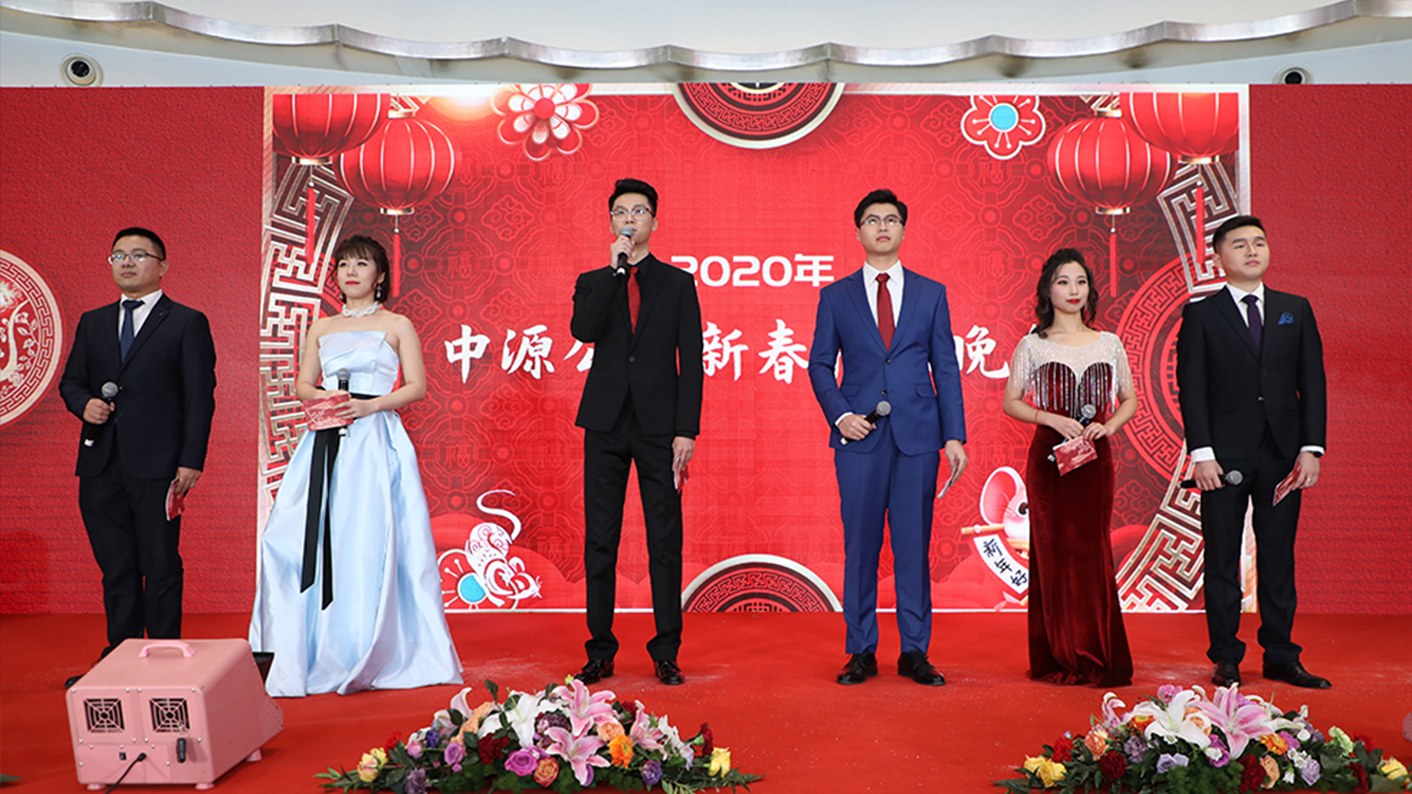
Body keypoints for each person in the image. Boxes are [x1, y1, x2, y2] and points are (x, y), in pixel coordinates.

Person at [248, 235, 461, 697]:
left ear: (379, 275)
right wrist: (328, 400)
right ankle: (312, 648)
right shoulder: (322, 327)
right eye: (343, 264)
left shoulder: (397, 324)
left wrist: (370, 406)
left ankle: (372, 645)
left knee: (367, 536)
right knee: (299, 536)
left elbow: (417, 386)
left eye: (361, 264)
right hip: (325, 437)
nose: (350, 272)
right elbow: (303, 385)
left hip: (376, 439)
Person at [808, 189, 967, 687]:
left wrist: (954, 435)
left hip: (918, 435)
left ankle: (915, 650)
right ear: (858, 230)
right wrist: (841, 416)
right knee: (861, 546)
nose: (882, 227)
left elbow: (945, 366)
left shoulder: (930, 293)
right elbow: (819, 365)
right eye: (873, 220)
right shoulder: (835, 297)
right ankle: (861, 650)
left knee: (913, 545)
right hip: (859, 437)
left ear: (903, 229)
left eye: (891, 219)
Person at [1176, 215, 1330, 689]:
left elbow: (1313, 382)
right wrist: (1202, 453)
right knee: (1222, 556)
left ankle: (1281, 655)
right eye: (1239, 244)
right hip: (1223, 457)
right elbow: (1192, 388)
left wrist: (1311, 448)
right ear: (1218, 257)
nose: (1251, 251)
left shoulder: (1294, 309)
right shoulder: (1202, 314)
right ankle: (1225, 655)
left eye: (1259, 243)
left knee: (1279, 557)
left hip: (1283, 455)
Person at [59, 227, 217, 685]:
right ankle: (121, 658)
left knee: (160, 563)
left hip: (160, 465)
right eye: (118, 255)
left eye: (138, 255)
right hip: (100, 462)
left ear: (162, 266)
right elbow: (71, 382)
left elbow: (199, 397)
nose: (126, 263)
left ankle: (164, 658)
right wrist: (83, 404)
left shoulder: (186, 322)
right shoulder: (93, 322)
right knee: (116, 566)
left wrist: (191, 459)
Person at [570, 178, 703, 687]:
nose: (630, 219)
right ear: (611, 222)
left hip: (659, 429)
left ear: (654, 221)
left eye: (639, 211)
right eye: (621, 212)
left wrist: (685, 430)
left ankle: (666, 651)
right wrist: (614, 271)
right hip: (604, 424)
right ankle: (600, 651)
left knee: (664, 540)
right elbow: (583, 330)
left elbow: (691, 362)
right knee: (600, 539)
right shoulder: (594, 280)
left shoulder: (677, 283)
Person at [1002, 248, 1136, 687]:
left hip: (1095, 459)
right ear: (1047, 290)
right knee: (1053, 552)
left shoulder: (1108, 343)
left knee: (1092, 550)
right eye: (1063, 281)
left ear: (1090, 289)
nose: (1073, 290)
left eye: (1080, 281)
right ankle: (1059, 653)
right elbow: (1011, 401)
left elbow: (1129, 399)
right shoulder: (1032, 345)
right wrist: (1049, 418)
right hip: (1049, 460)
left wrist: (1108, 426)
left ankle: (1098, 650)